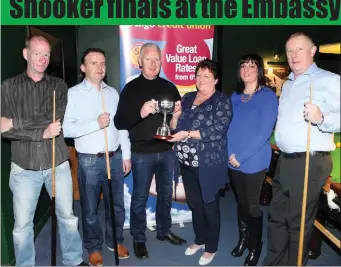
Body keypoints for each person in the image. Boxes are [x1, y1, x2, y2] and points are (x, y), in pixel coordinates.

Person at [0, 35, 87, 266]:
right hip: (24, 169)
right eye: (37, 53)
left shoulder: (58, 86)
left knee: (67, 218)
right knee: (21, 227)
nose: (43, 59)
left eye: (47, 54)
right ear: (26, 54)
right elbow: (2, 129)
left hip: (56, 164)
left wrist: (15, 121)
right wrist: (41, 132)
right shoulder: (8, 87)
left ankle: (73, 260)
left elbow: (52, 119)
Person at [263, 32, 340, 266]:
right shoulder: (289, 84)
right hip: (285, 159)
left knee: (297, 221)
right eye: (289, 50)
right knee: (276, 217)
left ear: (313, 51)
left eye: (299, 49)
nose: (293, 55)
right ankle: (274, 262)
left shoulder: (328, 80)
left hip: (309, 159)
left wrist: (321, 117)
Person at [114, 42, 186, 260]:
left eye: (157, 59)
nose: (153, 63)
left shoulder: (170, 87)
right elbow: (119, 122)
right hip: (141, 153)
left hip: (166, 151)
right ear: (140, 62)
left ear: (161, 62)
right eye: (149, 59)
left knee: (166, 195)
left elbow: (174, 126)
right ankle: (138, 238)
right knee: (140, 197)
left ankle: (164, 231)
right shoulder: (131, 88)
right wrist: (141, 112)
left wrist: (175, 116)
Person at [63, 48, 131, 266]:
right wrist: (96, 123)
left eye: (102, 63)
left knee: (116, 205)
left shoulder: (112, 93)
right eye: (94, 63)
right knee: (90, 208)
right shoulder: (73, 93)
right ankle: (93, 246)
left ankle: (115, 240)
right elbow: (66, 130)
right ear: (83, 68)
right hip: (89, 160)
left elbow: (121, 127)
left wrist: (126, 154)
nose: (100, 67)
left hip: (116, 156)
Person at [169, 59, 233, 265]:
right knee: (195, 204)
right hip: (186, 162)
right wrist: (176, 116)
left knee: (209, 205)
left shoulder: (221, 100)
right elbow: (172, 128)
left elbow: (216, 131)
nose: (201, 79)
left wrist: (186, 133)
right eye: (198, 75)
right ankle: (200, 239)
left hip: (208, 163)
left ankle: (211, 247)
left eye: (206, 76)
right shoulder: (187, 98)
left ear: (216, 79)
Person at [227, 54, 278, 266]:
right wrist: (229, 154)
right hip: (232, 159)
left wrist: (241, 156)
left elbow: (264, 132)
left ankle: (256, 247)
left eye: (252, 65)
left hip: (254, 160)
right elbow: (227, 127)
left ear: (259, 70)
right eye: (243, 66)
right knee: (240, 202)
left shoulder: (267, 96)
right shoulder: (235, 97)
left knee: (252, 206)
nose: (247, 69)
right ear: (239, 71)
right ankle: (244, 239)